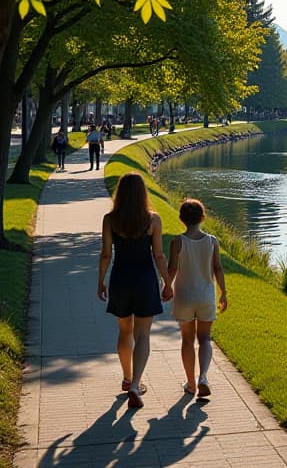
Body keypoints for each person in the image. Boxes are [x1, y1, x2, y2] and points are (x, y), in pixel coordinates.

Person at [97, 173, 173, 409]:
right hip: (145, 280)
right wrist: (167, 281)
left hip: (120, 279)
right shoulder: (153, 220)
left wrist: (101, 281)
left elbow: (106, 254)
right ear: (143, 194)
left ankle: (127, 377)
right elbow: (158, 255)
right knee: (142, 335)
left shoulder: (110, 220)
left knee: (124, 332)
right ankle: (136, 384)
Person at [167, 198, 227, 398]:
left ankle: (191, 384)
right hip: (205, 296)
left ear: (181, 218)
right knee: (204, 339)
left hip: (184, 296)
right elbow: (217, 269)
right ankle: (203, 377)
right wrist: (223, 293)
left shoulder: (177, 242)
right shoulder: (212, 241)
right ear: (202, 217)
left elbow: (172, 269)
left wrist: (166, 287)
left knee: (187, 340)